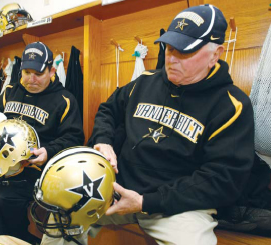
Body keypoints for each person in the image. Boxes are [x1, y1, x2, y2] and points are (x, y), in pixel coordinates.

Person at [39, 4, 255, 245]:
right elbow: (107, 111)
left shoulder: (232, 106)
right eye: (169, 48)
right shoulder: (145, 82)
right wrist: (102, 142)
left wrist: (147, 202)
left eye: (184, 52)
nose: (171, 59)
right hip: (116, 189)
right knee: (60, 217)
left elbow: (222, 179)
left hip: (176, 205)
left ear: (215, 54)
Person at [0, 42, 85, 245]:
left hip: (31, 169)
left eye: (38, 73)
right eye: (26, 72)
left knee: (2, 200)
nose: (31, 79)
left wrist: (48, 151)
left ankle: (14, 242)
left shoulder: (65, 100)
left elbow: (73, 139)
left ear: (52, 70)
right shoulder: (11, 90)